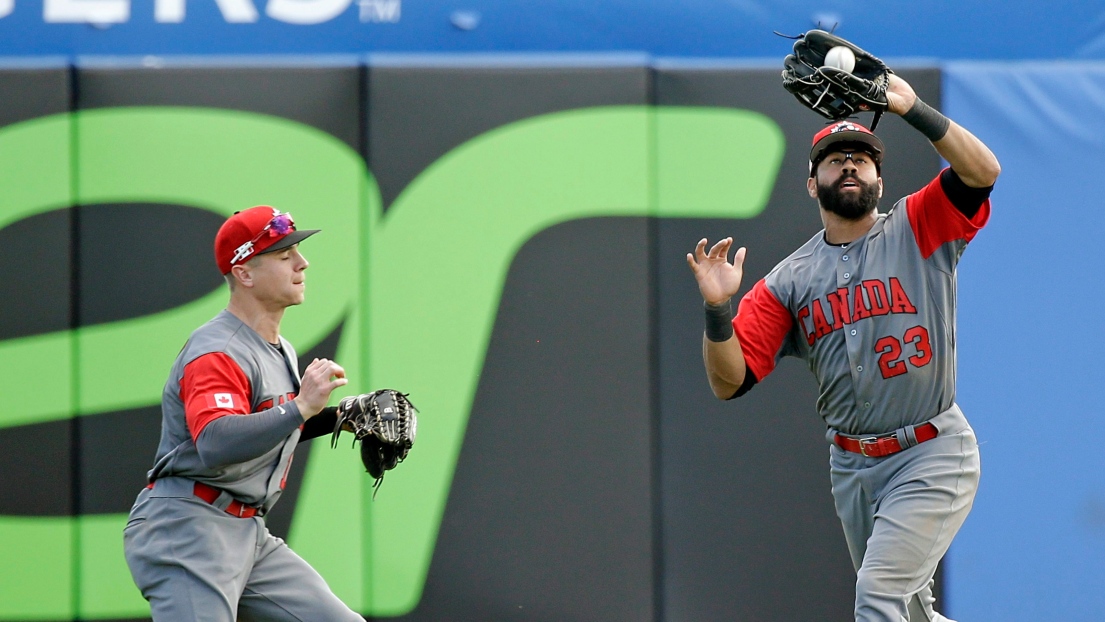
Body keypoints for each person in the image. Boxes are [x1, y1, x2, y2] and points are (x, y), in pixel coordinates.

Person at [686, 74, 1000, 621]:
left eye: (862, 157)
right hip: (853, 469)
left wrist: (913, 108)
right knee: (908, 612)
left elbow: (983, 172)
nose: (849, 165)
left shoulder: (917, 224)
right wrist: (717, 312)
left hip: (931, 452)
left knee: (877, 595)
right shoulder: (790, 280)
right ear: (813, 183)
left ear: (880, 176)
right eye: (834, 159)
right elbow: (727, 380)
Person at [123, 205, 363, 621]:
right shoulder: (217, 351)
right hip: (189, 528)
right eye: (285, 255)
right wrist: (303, 405)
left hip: (247, 533)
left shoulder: (278, 347)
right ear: (245, 274)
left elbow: (265, 430)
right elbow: (217, 442)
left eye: (298, 252)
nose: (302, 263)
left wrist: (339, 416)